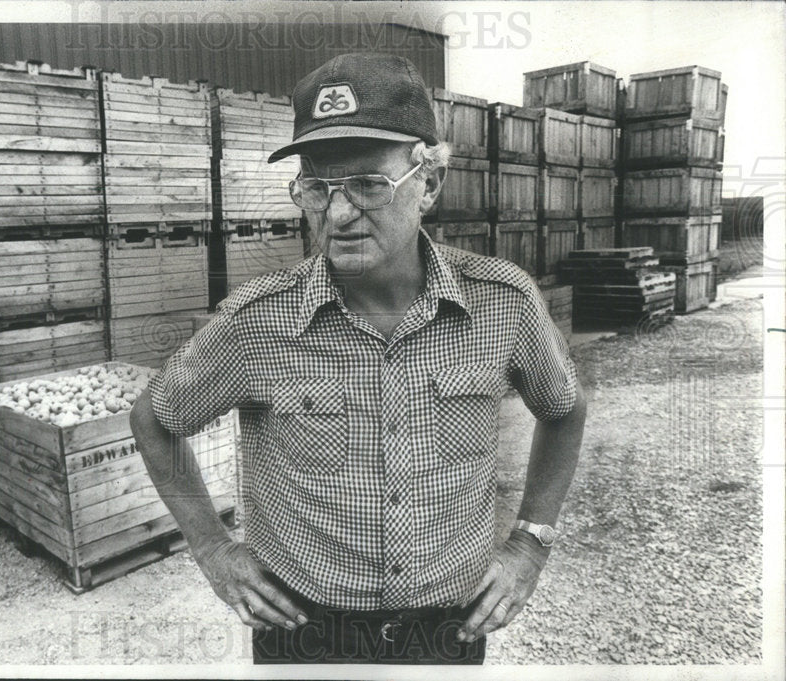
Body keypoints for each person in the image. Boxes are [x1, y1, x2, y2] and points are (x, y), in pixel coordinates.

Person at [131, 52, 587, 665]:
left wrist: (531, 540)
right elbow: (154, 420)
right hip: (303, 630)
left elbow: (564, 408)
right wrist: (212, 548)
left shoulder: (503, 304)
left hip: (447, 630)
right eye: (318, 188)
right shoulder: (258, 322)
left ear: (428, 183)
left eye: (369, 184)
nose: (339, 214)